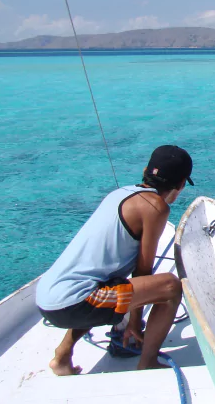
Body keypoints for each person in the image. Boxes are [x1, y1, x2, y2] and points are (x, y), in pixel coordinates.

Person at [36, 145, 194, 376]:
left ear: (145, 171)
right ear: (180, 185)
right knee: (170, 287)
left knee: (104, 285)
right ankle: (148, 360)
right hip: (72, 303)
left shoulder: (119, 193)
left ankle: (62, 355)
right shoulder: (156, 207)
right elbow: (143, 270)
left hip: (48, 296)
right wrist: (134, 323)